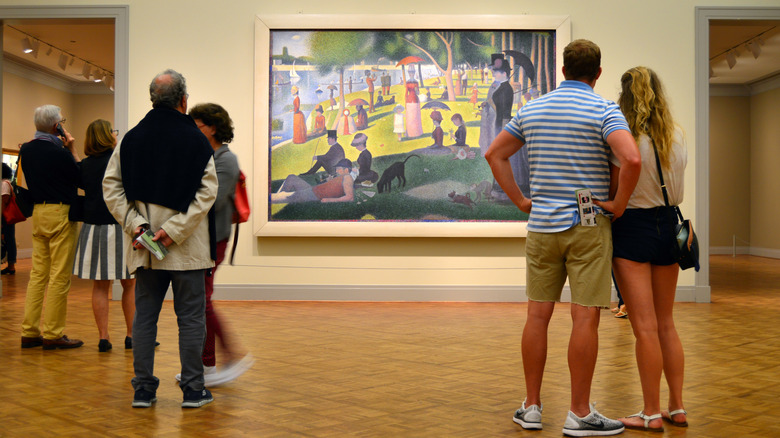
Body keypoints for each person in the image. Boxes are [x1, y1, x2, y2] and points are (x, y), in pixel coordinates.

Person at [485, 39, 641, 436]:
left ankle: (531, 407)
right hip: (588, 224)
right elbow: (631, 158)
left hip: (542, 225)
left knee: (537, 316)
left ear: (563, 70)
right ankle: (579, 413)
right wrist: (618, 204)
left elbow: (494, 154)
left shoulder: (532, 109)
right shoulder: (604, 109)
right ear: (598, 73)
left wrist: (521, 200)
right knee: (585, 317)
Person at [103, 69, 218, 409]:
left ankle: (143, 390)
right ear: (184, 100)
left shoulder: (131, 139)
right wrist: (175, 231)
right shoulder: (197, 140)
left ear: (152, 99)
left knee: (145, 318)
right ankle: (193, 391)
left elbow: (111, 187)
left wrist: (138, 226)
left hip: (146, 247)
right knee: (191, 319)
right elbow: (207, 192)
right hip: (187, 248)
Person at [602, 66, 688, 432]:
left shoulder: (624, 140)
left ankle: (650, 413)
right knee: (666, 323)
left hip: (633, 227)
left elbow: (615, 191)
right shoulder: (676, 135)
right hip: (669, 224)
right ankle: (676, 407)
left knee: (645, 328)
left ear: (624, 97)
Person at [184, 103, 254, 386]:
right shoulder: (204, 156)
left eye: (197, 126)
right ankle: (207, 365)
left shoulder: (226, 159)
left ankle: (232, 357)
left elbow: (212, 200)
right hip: (199, 238)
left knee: (202, 302)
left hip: (213, 240)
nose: (193, 131)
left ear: (213, 128)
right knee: (199, 302)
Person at [19, 105, 83, 350]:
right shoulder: (60, 152)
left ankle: (29, 331)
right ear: (57, 126)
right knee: (59, 276)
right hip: (60, 213)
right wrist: (72, 149)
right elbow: (82, 179)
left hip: (39, 212)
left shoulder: (26, 149)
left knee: (38, 275)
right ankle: (53, 333)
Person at [72, 119, 136, 352]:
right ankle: (131, 335)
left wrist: (73, 151)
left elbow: (80, 173)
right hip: (120, 226)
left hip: (93, 227)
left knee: (100, 286)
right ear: (108, 135)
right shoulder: (120, 161)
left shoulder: (86, 165)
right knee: (130, 283)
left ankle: (103, 337)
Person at [272, 159, 354, 204]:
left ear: (346, 170)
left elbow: (350, 197)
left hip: (314, 195)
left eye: (338, 169)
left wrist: (329, 200)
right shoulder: (342, 177)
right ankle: (278, 197)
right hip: (313, 190)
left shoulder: (347, 178)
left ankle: (274, 199)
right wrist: (329, 181)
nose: (336, 171)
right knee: (291, 177)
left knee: (282, 196)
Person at [1, 163, 17, 275]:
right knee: (9, 239)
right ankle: (11, 266)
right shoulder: (7, 183)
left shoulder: (4, 183)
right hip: (7, 217)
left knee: (8, 240)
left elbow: (4, 201)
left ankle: (11, 266)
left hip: (5, 217)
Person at [404, 68, 423, 137]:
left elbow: (418, 92)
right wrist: (405, 102)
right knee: (410, 117)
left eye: (412, 73)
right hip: (409, 100)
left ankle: (416, 133)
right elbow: (406, 93)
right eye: (410, 73)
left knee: (415, 117)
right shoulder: (407, 82)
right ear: (409, 74)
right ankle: (409, 133)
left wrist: (416, 90)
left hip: (415, 100)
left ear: (414, 74)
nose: (411, 74)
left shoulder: (416, 82)